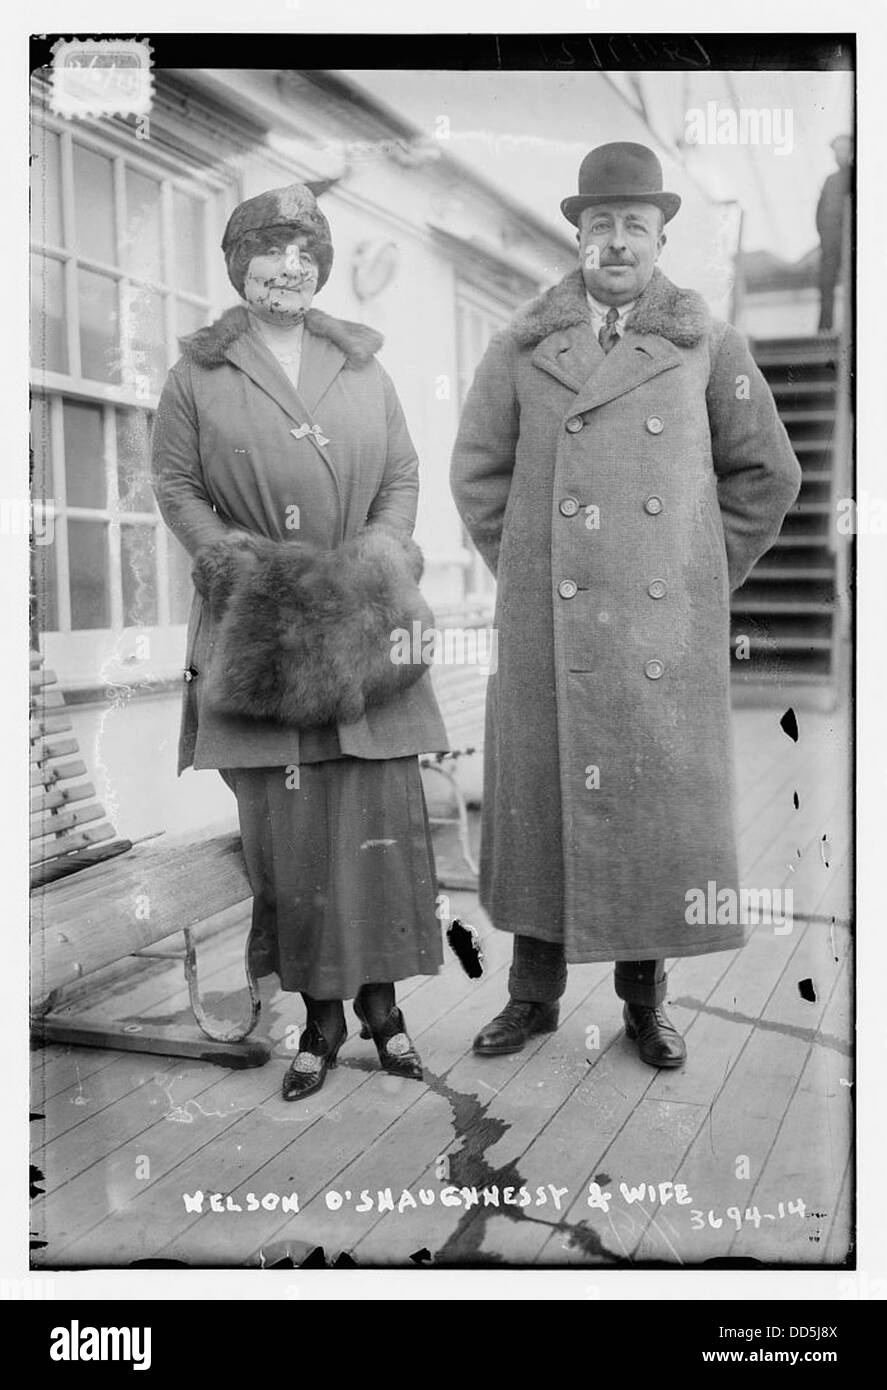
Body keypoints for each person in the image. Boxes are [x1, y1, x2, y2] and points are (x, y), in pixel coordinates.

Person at [450, 142, 802, 1068]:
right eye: (599, 225)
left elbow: (767, 473)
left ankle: (645, 1003)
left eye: (633, 227)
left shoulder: (708, 344)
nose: (615, 243)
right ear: (578, 234)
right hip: (548, 623)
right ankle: (531, 998)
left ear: (658, 237)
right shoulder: (519, 344)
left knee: (647, 810)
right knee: (540, 806)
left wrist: (689, 571)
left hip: (659, 625)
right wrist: (533, 568)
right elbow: (478, 474)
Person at [151, 183, 447, 1101]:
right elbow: (174, 484)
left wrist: (382, 557)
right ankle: (319, 1019)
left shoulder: (361, 365)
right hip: (262, 626)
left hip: (361, 614)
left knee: (377, 819)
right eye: (270, 250)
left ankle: (384, 1010)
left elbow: (400, 474)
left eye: (305, 251)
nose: (290, 266)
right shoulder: (197, 374)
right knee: (294, 831)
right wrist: (231, 566)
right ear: (239, 264)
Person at [815, 134, 852, 333]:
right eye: (836, 150)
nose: (840, 154)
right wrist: (824, 236)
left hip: (852, 244)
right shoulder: (830, 180)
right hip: (830, 243)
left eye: (844, 149)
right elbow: (820, 212)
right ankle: (824, 329)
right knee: (826, 284)